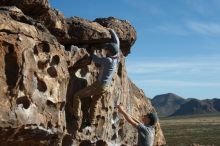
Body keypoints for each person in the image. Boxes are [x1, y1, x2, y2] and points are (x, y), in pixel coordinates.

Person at [72, 28, 120, 130]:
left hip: (99, 85)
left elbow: (96, 59)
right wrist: (111, 31)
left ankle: (76, 116)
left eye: (106, 49)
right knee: (94, 103)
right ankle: (91, 122)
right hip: (105, 86)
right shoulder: (117, 57)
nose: (105, 50)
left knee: (77, 95)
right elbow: (117, 41)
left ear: (110, 52)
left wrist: (91, 51)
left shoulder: (108, 60)